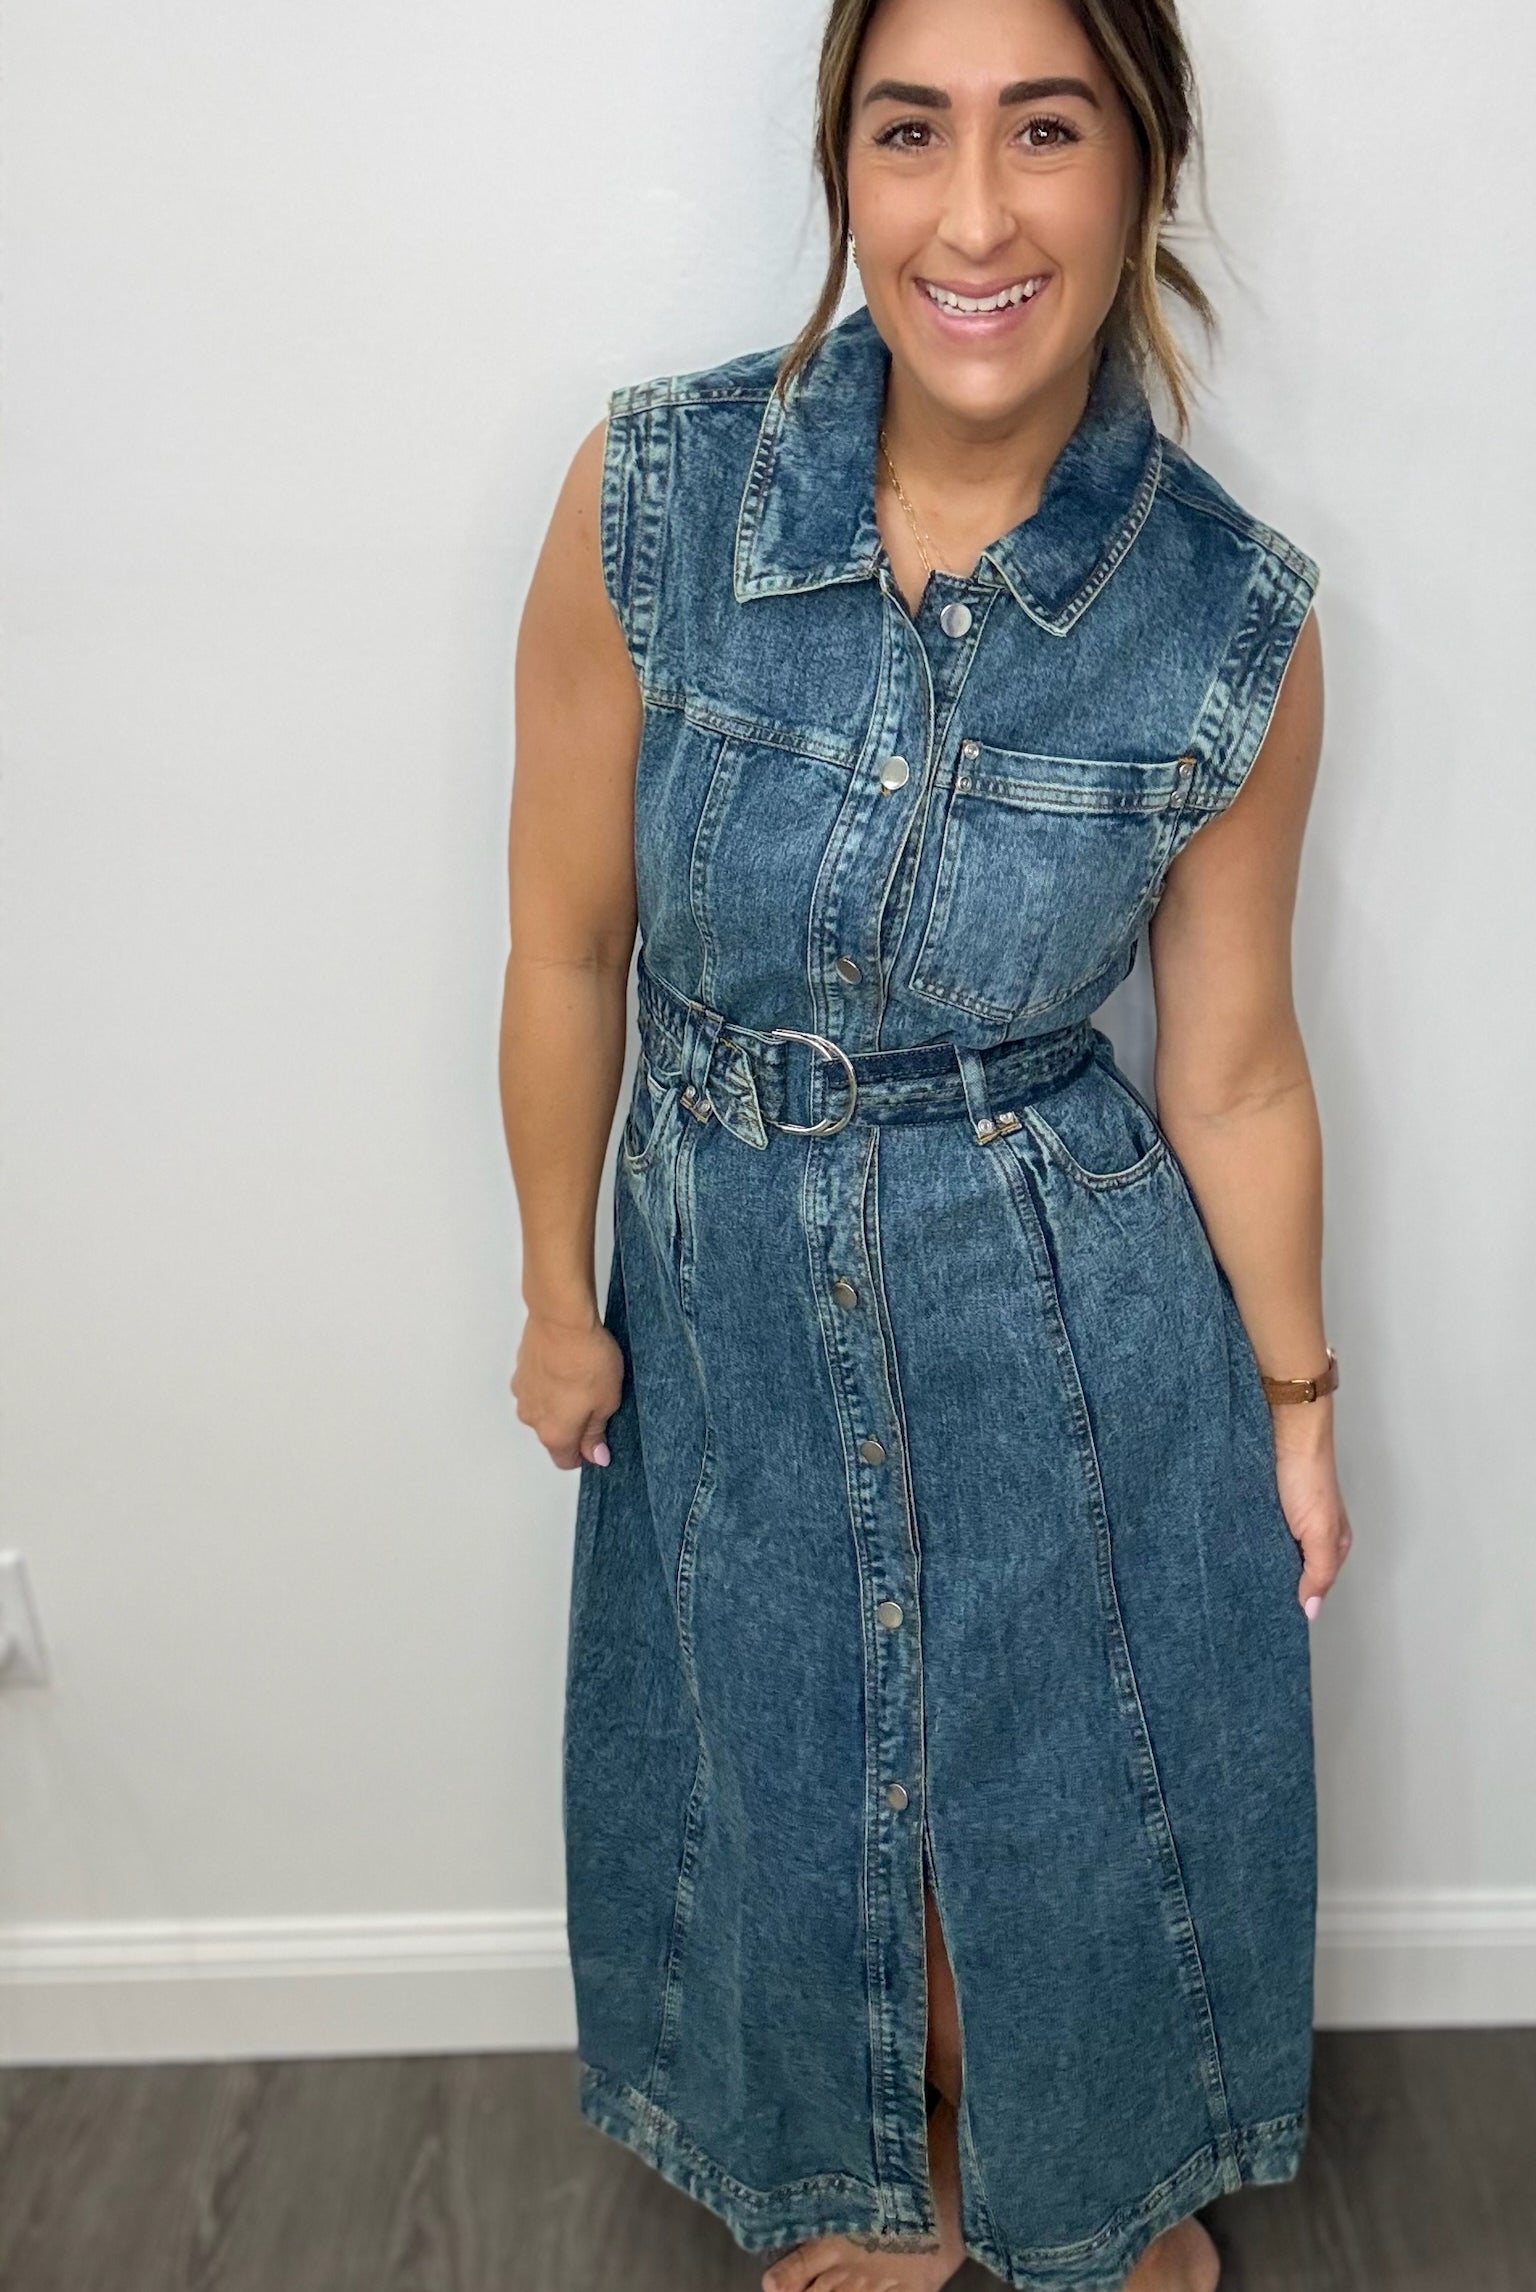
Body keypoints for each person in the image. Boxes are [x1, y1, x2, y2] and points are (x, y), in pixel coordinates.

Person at [502, 0, 1353, 2284]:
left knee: (1063, 1803)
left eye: (1043, 131)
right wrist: (558, 1292)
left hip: (1057, 1305)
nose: (974, 216)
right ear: (845, 170)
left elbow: (1235, 1068)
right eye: (912, 134)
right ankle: (892, 2186)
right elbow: (566, 945)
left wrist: (1297, 1399)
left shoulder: (1229, 623)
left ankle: (1087, 2196)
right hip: (728, 1284)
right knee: (790, 1774)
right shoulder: (654, 501)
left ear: (1139, 170)